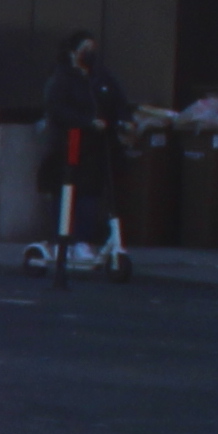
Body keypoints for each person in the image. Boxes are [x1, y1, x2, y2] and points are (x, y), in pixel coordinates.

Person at [37, 29, 138, 274]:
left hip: (96, 147)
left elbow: (119, 102)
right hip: (68, 147)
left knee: (90, 194)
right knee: (66, 194)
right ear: (73, 52)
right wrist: (86, 122)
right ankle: (65, 241)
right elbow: (57, 109)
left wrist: (125, 121)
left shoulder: (101, 77)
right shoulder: (62, 78)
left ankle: (83, 241)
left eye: (93, 49)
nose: (90, 54)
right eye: (85, 49)